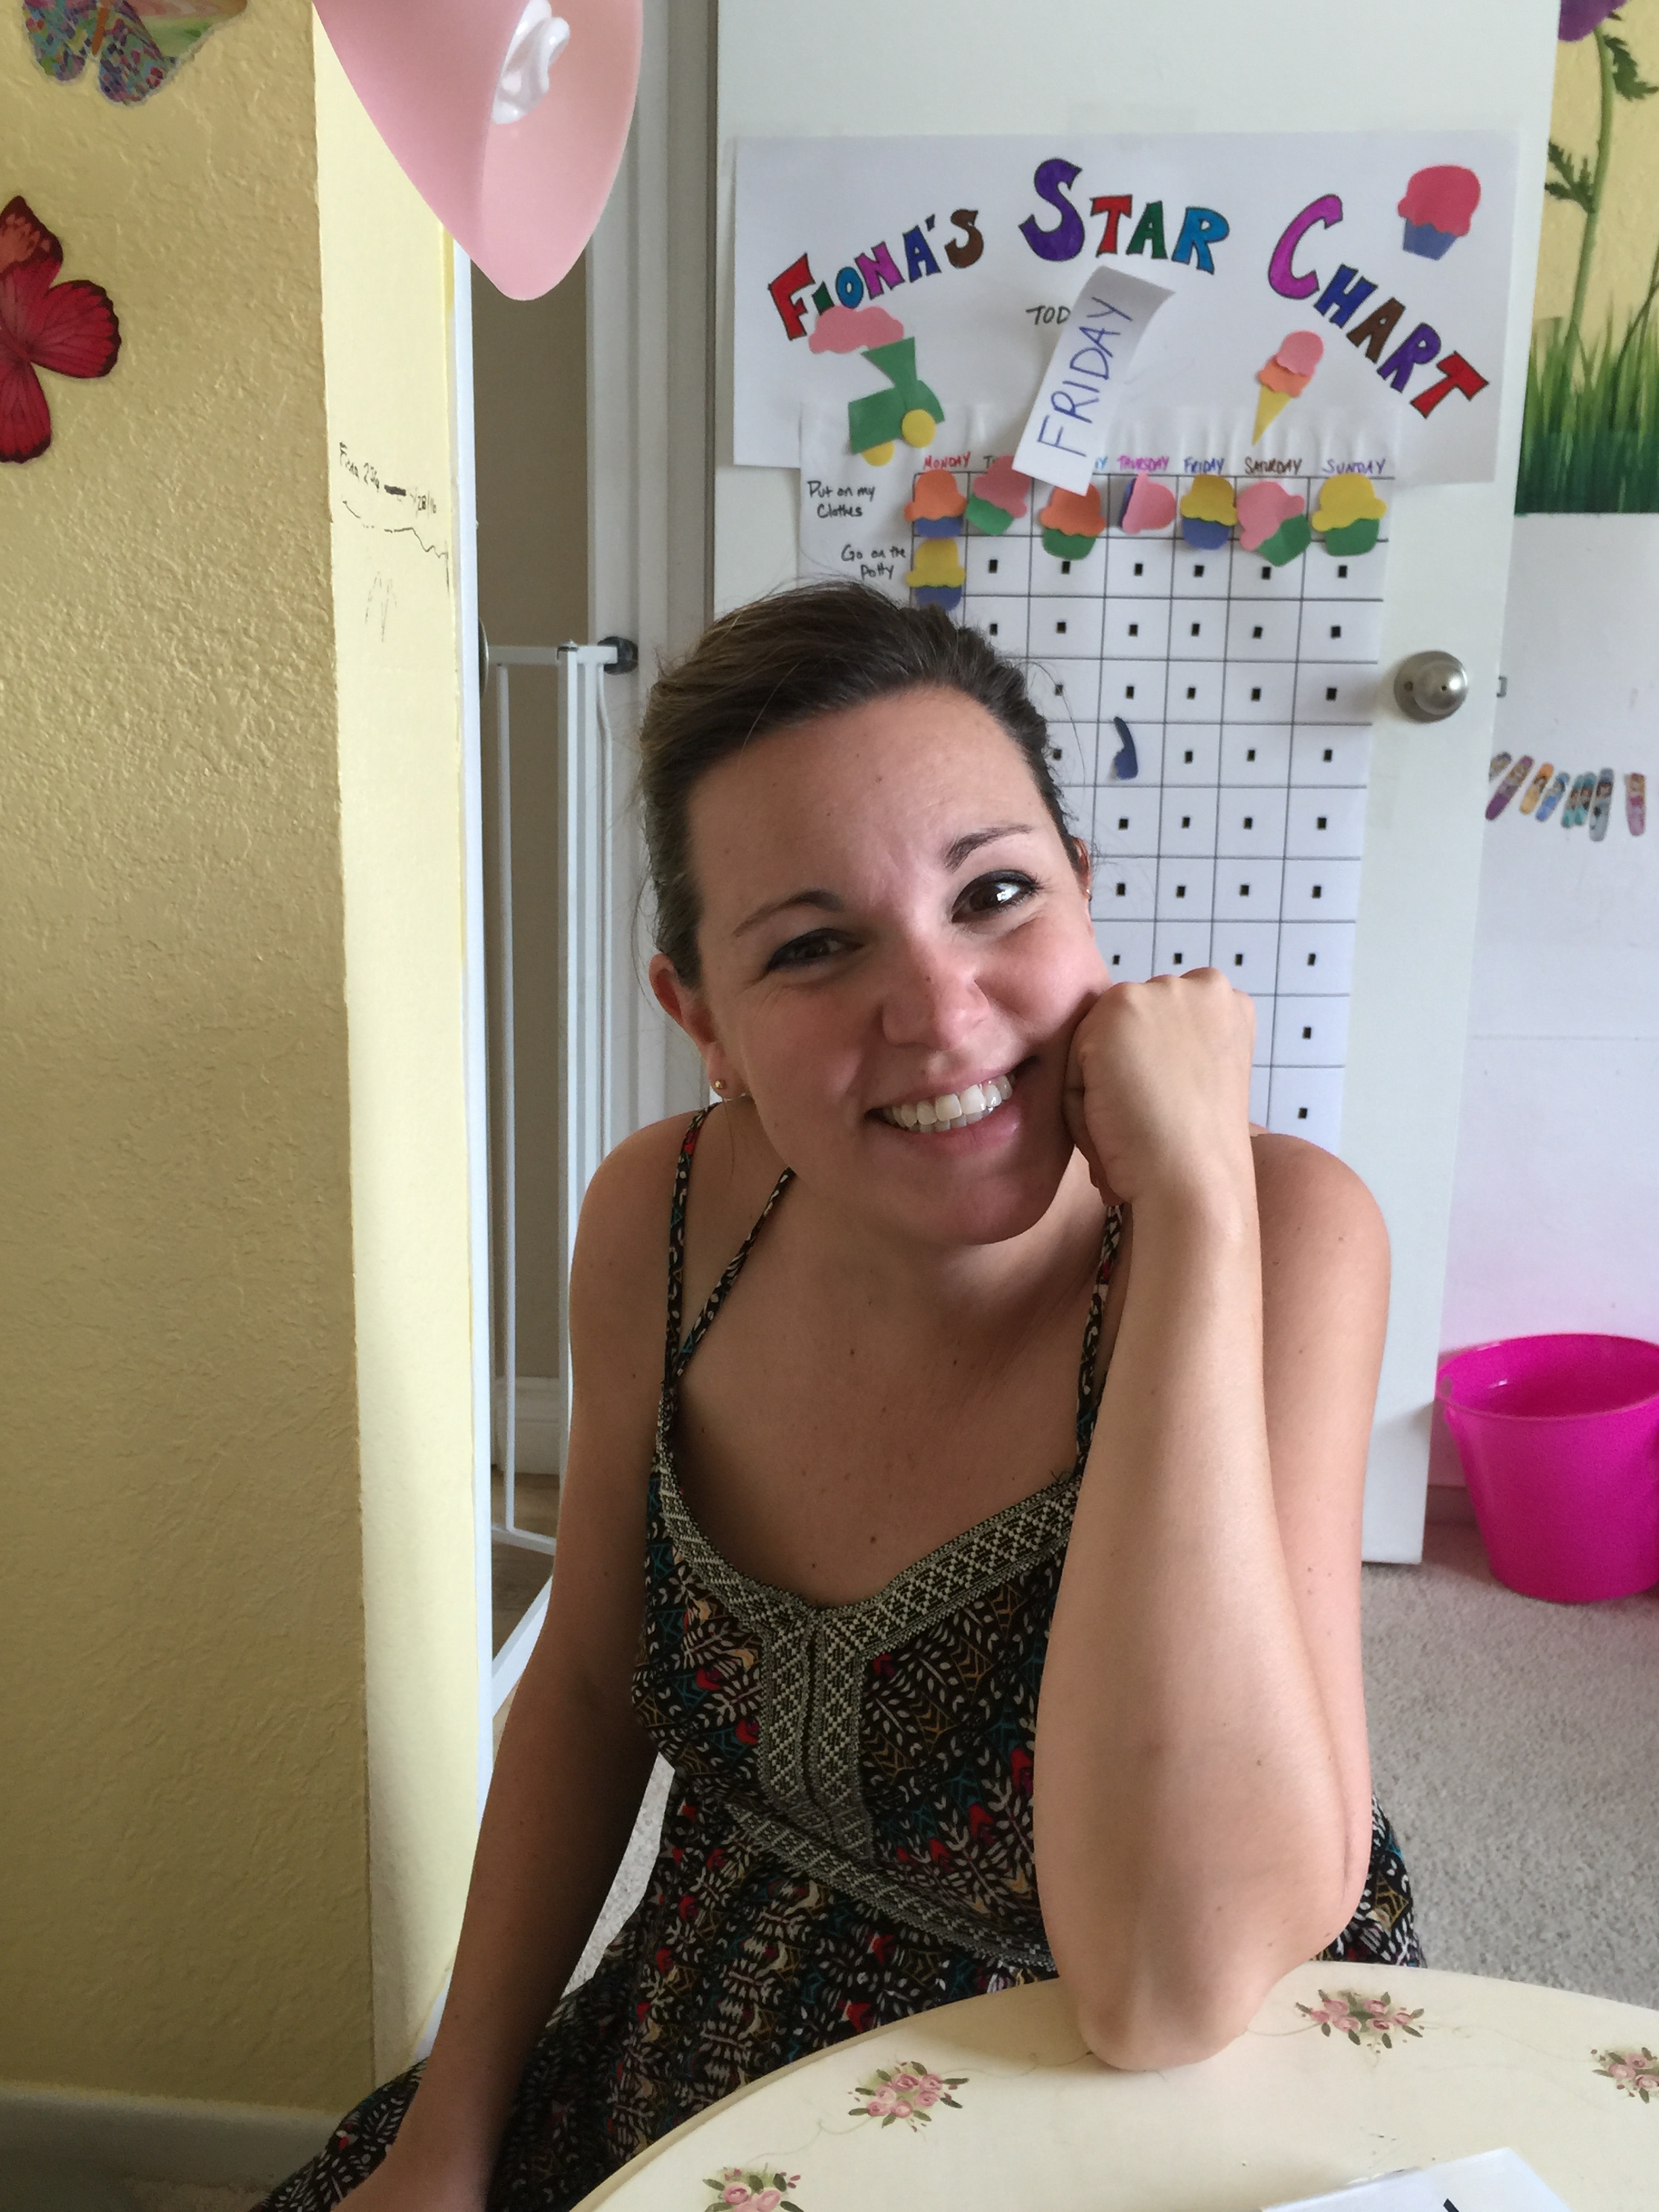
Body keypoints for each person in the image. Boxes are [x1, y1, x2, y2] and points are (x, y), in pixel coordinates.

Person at [260, 581, 1416, 2212]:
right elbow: (585, 1690)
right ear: (704, 1022)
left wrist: (1197, 1217)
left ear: (1087, 897)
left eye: (996, 894)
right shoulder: (661, 1219)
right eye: (813, 946)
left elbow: (1170, 1991)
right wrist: (451, 2133)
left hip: (1152, 2100)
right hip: (715, 2027)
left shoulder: (1285, 1231)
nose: (943, 1013)